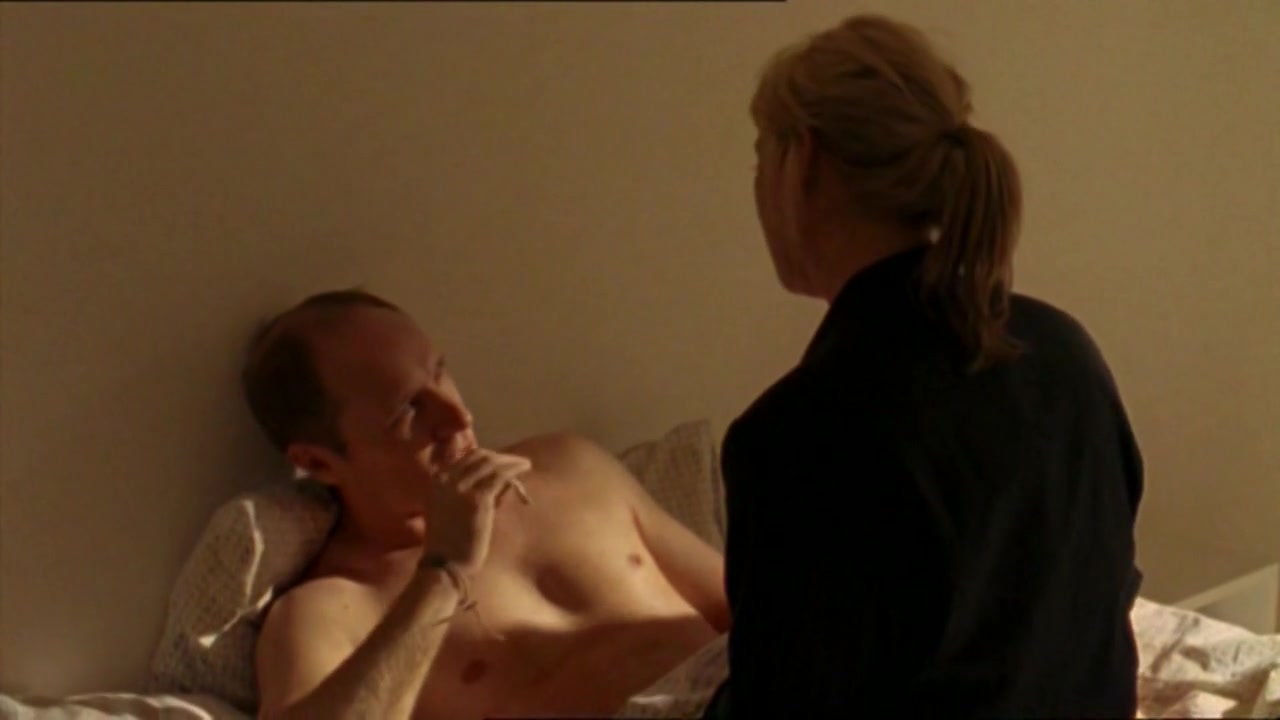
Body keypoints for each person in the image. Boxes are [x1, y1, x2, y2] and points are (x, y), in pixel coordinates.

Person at [703, 14, 1144, 719]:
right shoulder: (1064, 351)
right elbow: (1098, 604)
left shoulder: (799, 434)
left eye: (761, 156)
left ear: (802, 163)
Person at [240, 289, 730, 720]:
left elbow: (751, 606)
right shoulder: (329, 611)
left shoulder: (571, 467)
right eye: (408, 410)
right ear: (318, 463)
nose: (459, 416)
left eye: (440, 372)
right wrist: (443, 572)